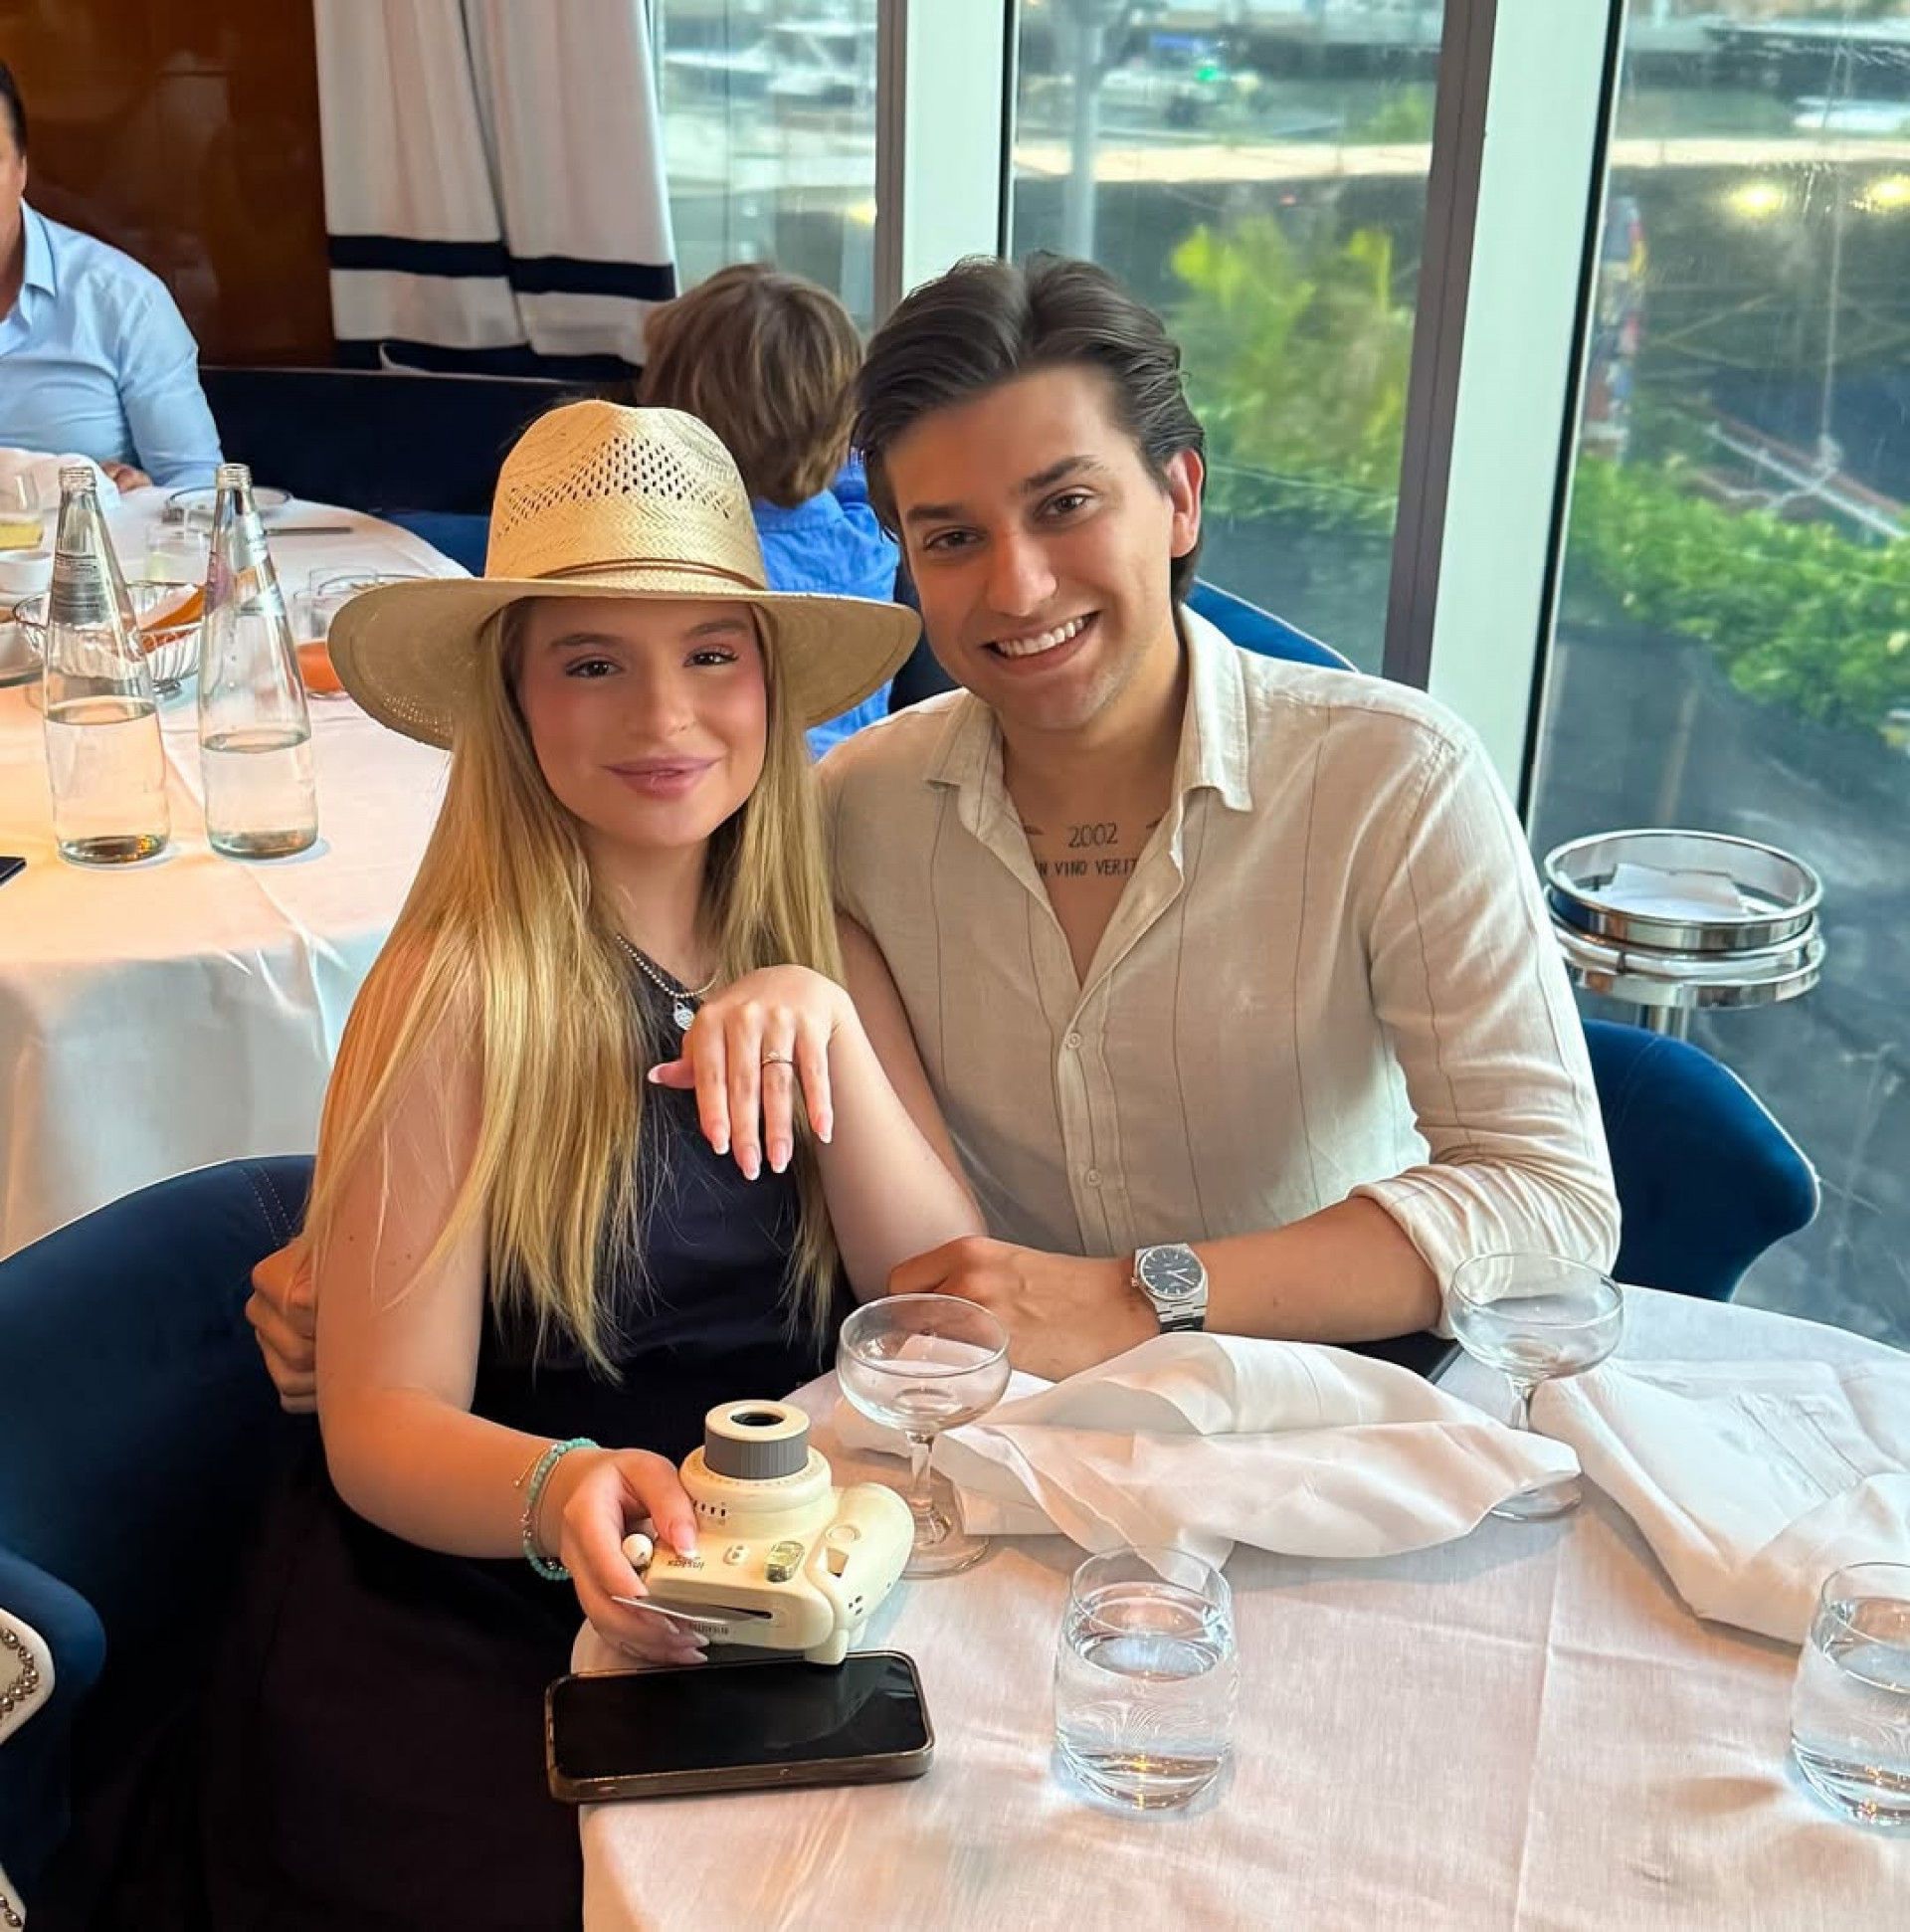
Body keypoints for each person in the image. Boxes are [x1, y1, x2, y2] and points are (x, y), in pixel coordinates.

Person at [248, 255, 1617, 1397]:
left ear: (1180, 495)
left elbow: (1553, 1201)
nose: (1017, 588)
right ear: (901, 553)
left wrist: (1142, 1296)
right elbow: (592, 978)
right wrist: (360, 1254)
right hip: (977, 1432)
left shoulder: (1392, 778)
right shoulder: (853, 808)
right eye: (953, 536)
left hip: (1325, 1406)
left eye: (1065, 505)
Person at [59, 401, 977, 1932]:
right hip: (483, 1585)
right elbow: (380, 1424)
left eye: (712, 654)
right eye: (592, 663)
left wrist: (828, 1029)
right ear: (516, 698)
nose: (665, 714)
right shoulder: (459, 991)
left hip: (778, 1557)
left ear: (768, 681)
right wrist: (560, 1490)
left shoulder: (828, 949)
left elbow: (939, 1306)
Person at [637, 262, 902, 755]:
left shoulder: (668, 555)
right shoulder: (870, 540)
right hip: (853, 777)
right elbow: (858, 465)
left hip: (730, 787)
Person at [0, 62, 223, 489]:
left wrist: (141, 497)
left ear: (22, 169)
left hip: (86, 535)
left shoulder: (123, 301)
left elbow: (199, 489)